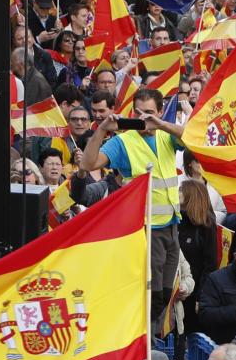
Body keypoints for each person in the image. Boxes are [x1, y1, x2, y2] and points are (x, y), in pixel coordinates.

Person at [79, 88, 184, 322]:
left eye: (149, 113)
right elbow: (88, 163)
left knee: (166, 293)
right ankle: (142, 344)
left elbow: (193, 138)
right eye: (138, 113)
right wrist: (102, 129)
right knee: (152, 296)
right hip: (145, 229)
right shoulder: (123, 142)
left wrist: (162, 125)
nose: (143, 118)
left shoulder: (166, 135)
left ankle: (146, 340)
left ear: (159, 113)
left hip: (171, 226)